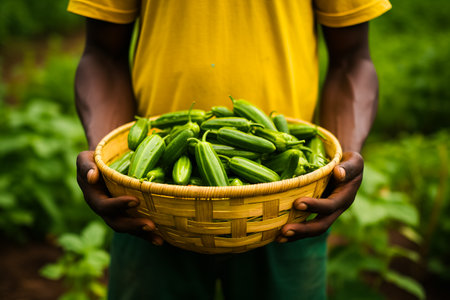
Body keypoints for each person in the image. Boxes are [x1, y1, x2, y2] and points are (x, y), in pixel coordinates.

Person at [70, 1, 391, 299]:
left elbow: (352, 59)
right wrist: (107, 166)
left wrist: (344, 157)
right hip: (148, 206)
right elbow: (103, 54)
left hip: (291, 203)